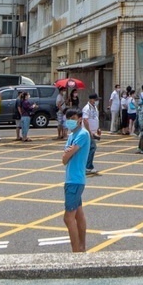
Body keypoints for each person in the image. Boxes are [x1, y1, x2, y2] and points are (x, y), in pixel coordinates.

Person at [60, 108, 90, 252]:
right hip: (71, 179)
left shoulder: (82, 134)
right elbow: (64, 159)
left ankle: (76, 250)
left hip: (75, 180)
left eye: (73, 117)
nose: (70, 120)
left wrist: (67, 154)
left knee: (68, 217)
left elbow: (66, 156)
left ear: (79, 118)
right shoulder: (72, 135)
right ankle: (81, 248)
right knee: (78, 214)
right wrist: (67, 154)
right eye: (68, 118)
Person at [82, 93, 102, 174]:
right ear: (91, 99)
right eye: (95, 100)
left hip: (93, 131)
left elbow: (95, 118)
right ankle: (88, 166)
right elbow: (85, 120)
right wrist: (89, 132)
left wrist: (98, 128)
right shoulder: (86, 108)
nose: (96, 101)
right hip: (87, 132)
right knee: (92, 147)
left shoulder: (94, 108)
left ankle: (87, 166)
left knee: (88, 149)